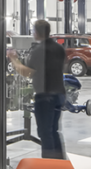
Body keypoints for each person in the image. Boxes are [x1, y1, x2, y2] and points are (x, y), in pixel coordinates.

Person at [8, 20, 66, 159]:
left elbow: (28, 72)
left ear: (37, 32)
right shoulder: (59, 48)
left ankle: (49, 164)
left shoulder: (39, 50)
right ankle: (60, 163)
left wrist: (14, 59)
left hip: (45, 96)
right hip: (59, 94)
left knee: (45, 133)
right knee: (54, 131)